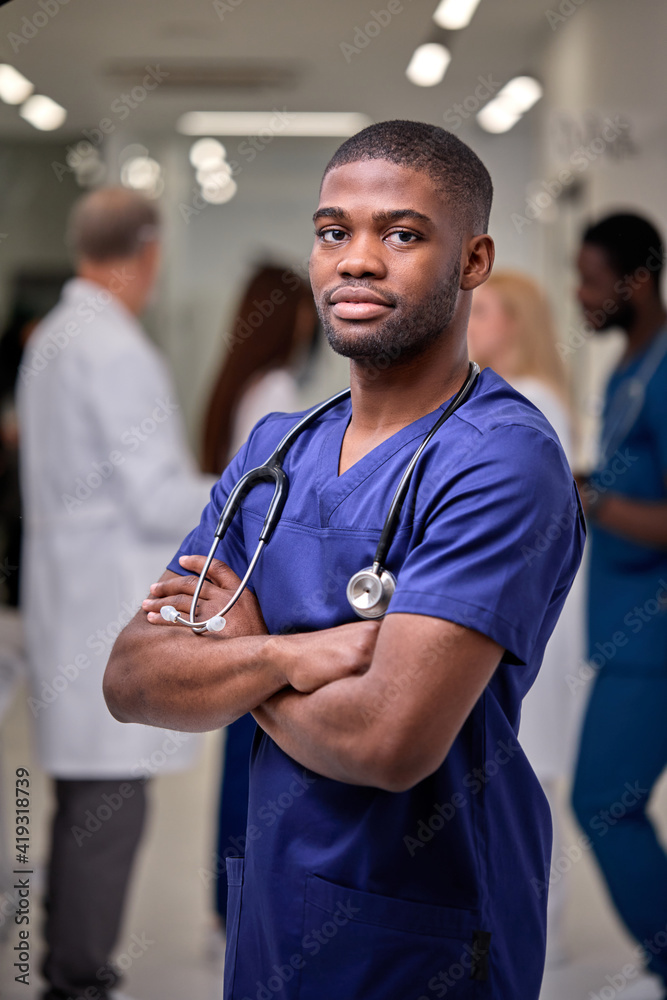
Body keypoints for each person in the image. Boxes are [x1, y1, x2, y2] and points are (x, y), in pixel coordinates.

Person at [104, 121, 585, 999]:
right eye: (334, 232)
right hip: (271, 915)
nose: (356, 260)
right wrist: (288, 654)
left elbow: (388, 740)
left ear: (473, 259)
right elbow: (132, 678)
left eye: (401, 234)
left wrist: (230, 667)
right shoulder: (276, 452)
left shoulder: (499, 460)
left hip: (423, 930)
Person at [17, 187, 214, 1000]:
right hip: (101, 607)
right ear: (147, 254)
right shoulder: (115, 347)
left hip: (70, 596)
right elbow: (154, 495)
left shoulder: (56, 336)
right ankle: (78, 977)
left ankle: (66, 959)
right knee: (111, 808)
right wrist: (247, 491)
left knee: (83, 799)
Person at [467, 270, 586, 967]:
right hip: (527, 608)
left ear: (517, 323)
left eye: (484, 311)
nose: (470, 322)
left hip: (532, 613)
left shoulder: (529, 399)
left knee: (529, 773)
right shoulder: (519, 397)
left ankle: (535, 936)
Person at [201, 264, 319, 933]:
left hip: (235, 591)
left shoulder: (240, 385)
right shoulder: (275, 392)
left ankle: (229, 897)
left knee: (239, 754)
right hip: (262, 594)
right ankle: (245, 901)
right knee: (263, 752)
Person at [571, 213, 667, 996]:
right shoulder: (625, 367)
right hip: (625, 627)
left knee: (601, 800)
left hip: (653, 633)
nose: (581, 296)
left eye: (591, 280)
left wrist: (589, 500)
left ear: (634, 281)